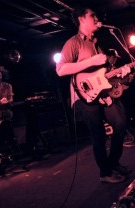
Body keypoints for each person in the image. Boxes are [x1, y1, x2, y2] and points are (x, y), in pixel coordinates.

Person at [56, 5, 131, 184]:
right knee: (98, 133)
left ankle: (112, 163)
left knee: (120, 122)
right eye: (93, 15)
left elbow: (101, 74)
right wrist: (91, 60)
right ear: (82, 18)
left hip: (102, 92)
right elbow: (60, 69)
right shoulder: (73, 42)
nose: (97, 18)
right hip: (84, 96)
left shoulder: (98, 42)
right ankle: (105, 173)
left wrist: (118, 73)